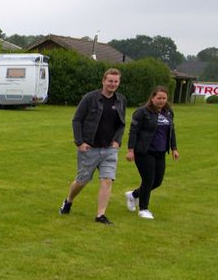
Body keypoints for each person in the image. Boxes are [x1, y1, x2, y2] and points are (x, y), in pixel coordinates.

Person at [59, 68, 126, 224]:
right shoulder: (90, 98)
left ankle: (100, 215)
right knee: (82, 180)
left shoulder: (121, 100)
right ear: (103, 81)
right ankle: (68, 200)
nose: (113, 84)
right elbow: (77, 120)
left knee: (107, 180)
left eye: (116, 82)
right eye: (110, 81)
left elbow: (121, 124)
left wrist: (117, 141)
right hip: (90, 148)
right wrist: (80, 142)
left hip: (110, 149)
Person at [124, 85, 179, 220]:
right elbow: (134, 132)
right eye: (159, 98)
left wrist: (174, 148)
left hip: (160, 152)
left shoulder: (168, 112)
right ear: (152, 97)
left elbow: (171, 132)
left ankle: (134, 195)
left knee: (157, 181)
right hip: (144, 151)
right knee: (148, 180)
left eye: (164, 98)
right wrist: (130, 150)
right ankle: (143, 209)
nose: (161, 101)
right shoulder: (142, 112)